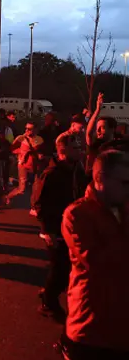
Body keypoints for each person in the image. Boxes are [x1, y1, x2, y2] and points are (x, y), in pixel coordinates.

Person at [59, 150, 129, 359]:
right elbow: (99, 260)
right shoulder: (77, 214)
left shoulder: (125, 208)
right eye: (124, 183)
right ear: (100, 179)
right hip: (90, 327)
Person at [35, 134, 86, 322]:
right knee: (60, 268)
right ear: (63, 150)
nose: (79, 150)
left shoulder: (75, 169)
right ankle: (48, 302)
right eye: (75, 147)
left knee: (66, 268)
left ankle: (48, 294)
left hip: (70, 226)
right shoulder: (51, 174)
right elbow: (39, 203)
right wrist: (48, 230)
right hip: (55, 228)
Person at [5, 121, 43, 205]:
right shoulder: (21, 138)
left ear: (35, 130)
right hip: (23, 165)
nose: (27, 130)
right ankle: (9, 196)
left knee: (36, 187)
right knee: (22, 189)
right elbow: (12, 149)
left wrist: (39, 155)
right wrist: (21, 153)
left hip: (34, 165)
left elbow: (39, 151)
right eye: (26, 128)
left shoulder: (39, 139)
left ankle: (34, 206)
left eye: (29, 129)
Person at [85, 92, 116, 176]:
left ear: (112, 129)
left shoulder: (118, 146)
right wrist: (98, 109)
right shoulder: (95, 145)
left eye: (102, 127)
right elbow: (89, 133)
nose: (98, 131)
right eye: (97, 127)